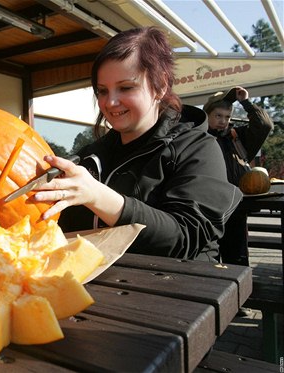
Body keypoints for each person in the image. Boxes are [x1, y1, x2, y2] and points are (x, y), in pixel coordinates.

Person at [31, 27, 242, 261]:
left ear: (160, 85)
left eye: (126, 87)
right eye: (102, 91)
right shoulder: (91, 155)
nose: (110, 102)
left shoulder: (199, 149)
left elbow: (185, 238)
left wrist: (97, 196)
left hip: (180, 290)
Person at [203, 86, 273, 266]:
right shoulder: (197, 139)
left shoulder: (238, 138)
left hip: (235, 210)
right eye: (218, 115)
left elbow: (264, 125)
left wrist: (246, 102)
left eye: (227, 117)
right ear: (207, 115)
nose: (223, 121)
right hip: (206, 212)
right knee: (208, 264)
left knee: (237, 262)